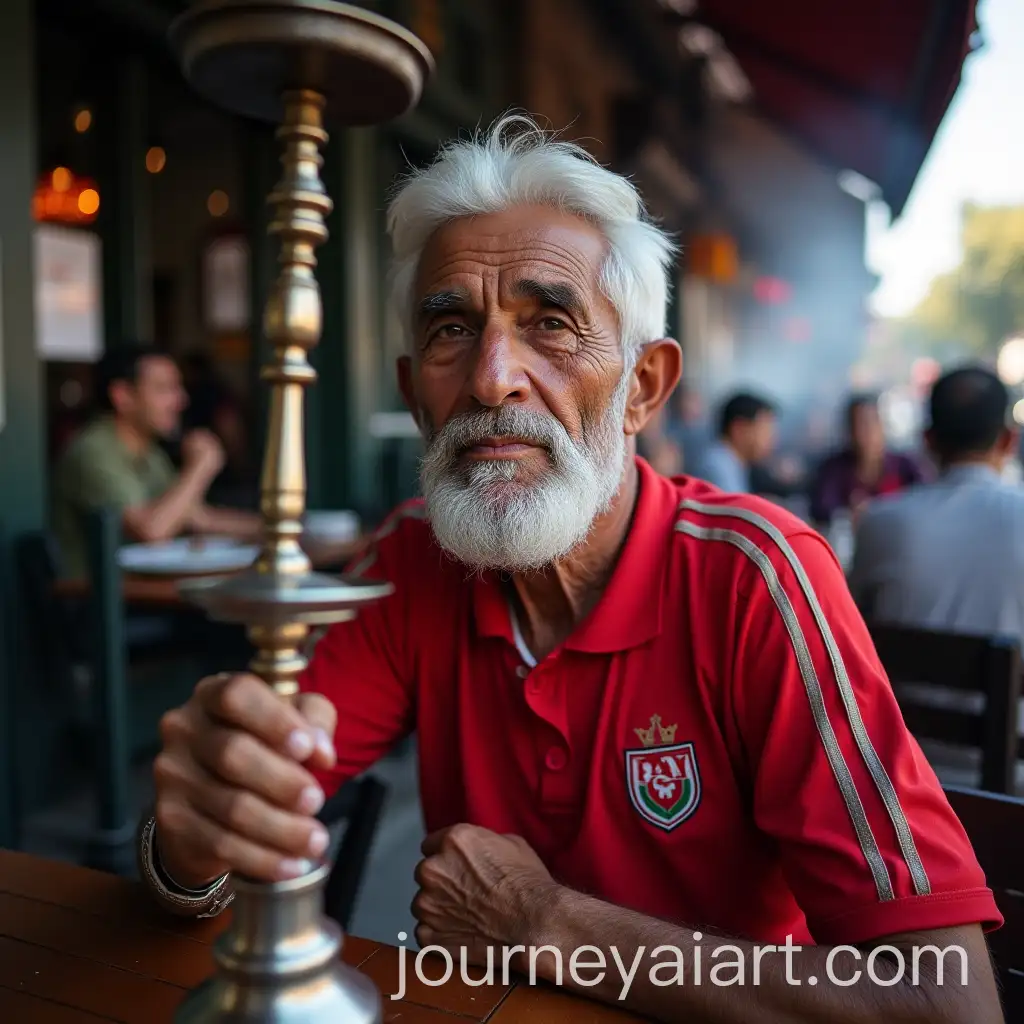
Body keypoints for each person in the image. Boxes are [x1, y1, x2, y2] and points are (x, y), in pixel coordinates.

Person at [140, 117, 1003, 1023]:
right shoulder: (411, 558)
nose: (491, 379)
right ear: (413, 395)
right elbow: (243, 814)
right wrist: (193, 840)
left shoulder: (758, 579)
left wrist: (545, 922)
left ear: (643, 388)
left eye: (551, 325)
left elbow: (949, 1005)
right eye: (450, 330)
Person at [849, 365, 1024, 647]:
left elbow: (852, 625)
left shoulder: (879, 522)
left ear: (927, 441)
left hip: (901, 678)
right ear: (1009, 440)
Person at [52, 344, 261, 577]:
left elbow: (195, 517)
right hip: (97, 596)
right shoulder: (93, 451)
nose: (181, 401)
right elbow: (152, 530)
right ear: (122, 396)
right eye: (164, 389)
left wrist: (274, 529)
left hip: (141, 589)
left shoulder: (150, 453)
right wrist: (200, 467)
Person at [809, 393, 924, 530]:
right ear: (848, 431)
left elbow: (925, 502)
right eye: (858, 425)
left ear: (883, 425)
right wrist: (847, 514)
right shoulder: (834, 469)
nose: (866, 432)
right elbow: (822, 511)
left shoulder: (905, 466)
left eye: (872, 423)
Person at [694, 391, 777, 493]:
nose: (771, 439)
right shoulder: (718, 467)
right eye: (765, 431)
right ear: (739, 429)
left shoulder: (732, 463)